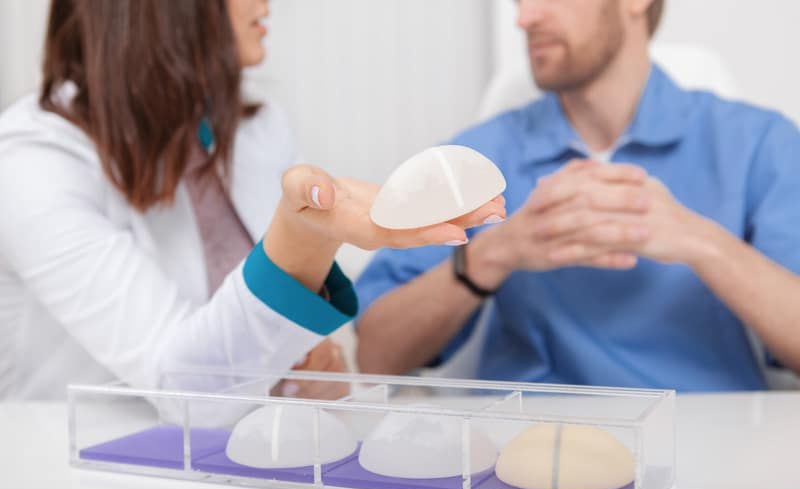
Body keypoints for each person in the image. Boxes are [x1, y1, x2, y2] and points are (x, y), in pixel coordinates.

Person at [0, 0, 505, 400]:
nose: (269, 4)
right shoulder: (33, 163)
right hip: (79, 477)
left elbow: (261, 345)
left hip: (238, 464)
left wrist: (319, 369)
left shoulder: (255, 131)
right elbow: (181, 387)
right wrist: (303, 237)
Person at [355, 0, 800, 391]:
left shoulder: (758, 145)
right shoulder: (478, 158)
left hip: (710, 441)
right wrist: (495, 253)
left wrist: (703, 244)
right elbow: (375, 354)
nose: (525, 18)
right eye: (519, 1)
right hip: (525, 446)